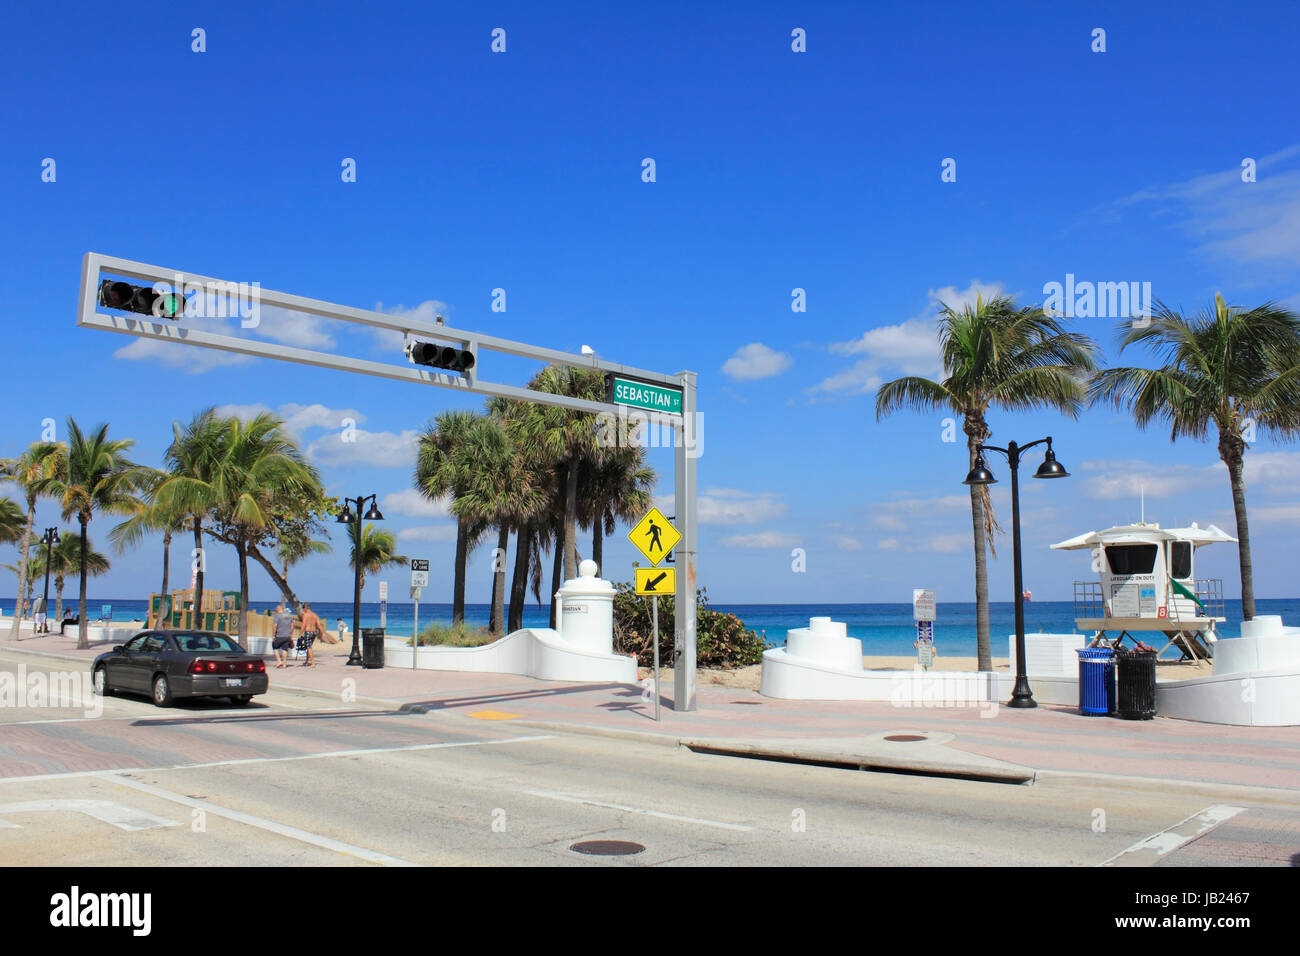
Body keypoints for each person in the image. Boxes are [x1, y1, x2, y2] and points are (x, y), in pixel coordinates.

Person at [271, 603, 295, 669]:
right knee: (285, 649)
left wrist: (273, 635)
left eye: (276, 609)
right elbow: (292, 626)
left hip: (279, 635)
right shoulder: (290, 615)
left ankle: (279, 662)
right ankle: (284, 664)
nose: (275, 610)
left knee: (274, 647)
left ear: (278, 609)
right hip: (287, 636)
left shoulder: (277, 616)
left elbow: (275, 626)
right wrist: (291, 634)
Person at [297, 602, 322, 667]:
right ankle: (307, 661)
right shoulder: (315, 615)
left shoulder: (305, 615)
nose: (303, 609)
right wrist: (322, 633)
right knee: (309, 646)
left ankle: (313, 663)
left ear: (305, 608)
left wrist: (300, 634)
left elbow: (304, 625)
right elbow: (319, 625)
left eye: (303, 608)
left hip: (308, 632)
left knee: (309, 647)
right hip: (314, 632)